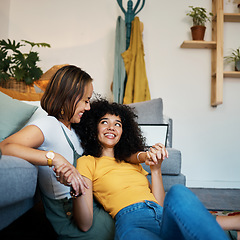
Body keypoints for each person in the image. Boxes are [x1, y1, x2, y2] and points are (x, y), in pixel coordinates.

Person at [67, 98, 229, 240]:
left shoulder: (132, 162)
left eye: (118, 124)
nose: (111, 127)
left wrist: (156, 169)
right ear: (93, 128)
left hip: (163, 217)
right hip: (132, 221)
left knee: (178, 192)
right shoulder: (87, 162)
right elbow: (85, 224)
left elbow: (160, 203)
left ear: (124, 132)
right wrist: (76, 190)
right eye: (104, 122)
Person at [0, 65, 116, 240]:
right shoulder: (49, 124)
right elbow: (6, 146)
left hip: (91, 207)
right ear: (69, 97)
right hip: (73, 220)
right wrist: (55, 159)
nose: (88, 107)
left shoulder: (74, 130)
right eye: (85, 100)